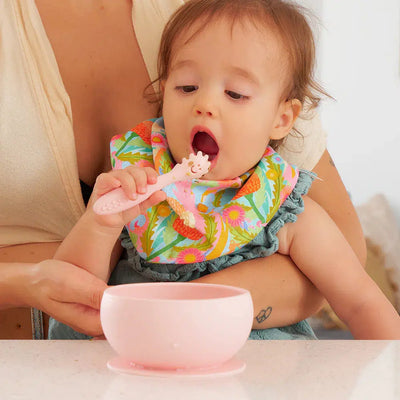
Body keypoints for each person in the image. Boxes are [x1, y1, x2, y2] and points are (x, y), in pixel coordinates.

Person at [0, 0, 366, 340]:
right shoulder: (140, 193)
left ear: (283, 118)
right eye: (187, 87)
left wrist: (185, 307)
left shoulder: (281, 206)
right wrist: (97, 226)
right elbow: (74, 283)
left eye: (235, 94)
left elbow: (359, 296)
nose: (205, 104)